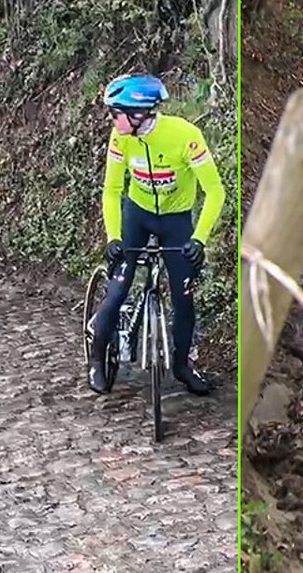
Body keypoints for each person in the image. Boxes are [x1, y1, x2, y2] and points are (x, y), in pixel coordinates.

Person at [89, 73, 225, 397]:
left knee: (183, 298)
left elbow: (215, 191)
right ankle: (96, 360)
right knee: (118, 290)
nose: (112, 119)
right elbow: (111, 190)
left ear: (139, 114)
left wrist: (200, 239)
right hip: (137, 216)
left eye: (116, 113)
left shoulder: (185, 136)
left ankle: (182, 365)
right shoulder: (120, 137)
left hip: (176, 222)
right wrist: (113, 237)